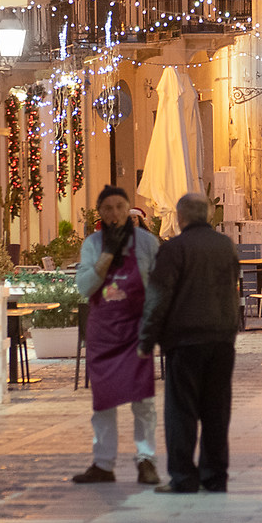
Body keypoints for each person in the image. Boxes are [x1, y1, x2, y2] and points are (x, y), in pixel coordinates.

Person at [138, 192, 242, 494]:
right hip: (221, 339)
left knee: (182, 411)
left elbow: (157, 298)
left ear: (181, 218)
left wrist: (146, 340)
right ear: (207, 215)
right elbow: (234, 289)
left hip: (185, 341)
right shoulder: (225, 246)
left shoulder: (174, 249)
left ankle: (184, 477)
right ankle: (215, 475)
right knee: (216, 410)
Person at [69, 186, 160, 485]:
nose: (115, 213)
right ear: (100, 213)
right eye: (108, 208)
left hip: (136, 332)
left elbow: (158, 286)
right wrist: (106, 257)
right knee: (103, 400)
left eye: (120, 206)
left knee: (143, 400)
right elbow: (84, 287)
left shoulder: (147, 243)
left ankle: (146, 459)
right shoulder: (93, 244)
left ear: (129, 208)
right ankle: (103, 463)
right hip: (104, 334)